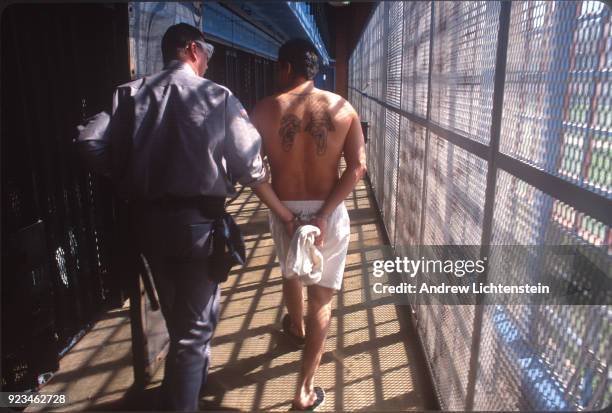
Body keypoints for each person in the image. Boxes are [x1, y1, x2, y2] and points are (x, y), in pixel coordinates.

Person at [75, 23, 295, 411]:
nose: (209, 61)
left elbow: (89, 140)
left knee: (180, 321)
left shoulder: (128, 94)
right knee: (194, 333)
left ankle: (183, 386)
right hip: (198, 227)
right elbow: (249, 164)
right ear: (193, 49)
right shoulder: (217, 97)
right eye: (207, 52)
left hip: (147, 227)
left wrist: (126, 170)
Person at [251, 38, 366, 410]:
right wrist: (323, 213)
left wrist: (285, 215)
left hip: (284, 208)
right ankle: (303, 391)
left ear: (286, 68)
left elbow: (252, 174)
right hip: (327, 212)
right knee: (321, 298)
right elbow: (358, 168)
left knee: (290, 272)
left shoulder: (264, 111)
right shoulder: (343, 108)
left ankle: (295, 328)